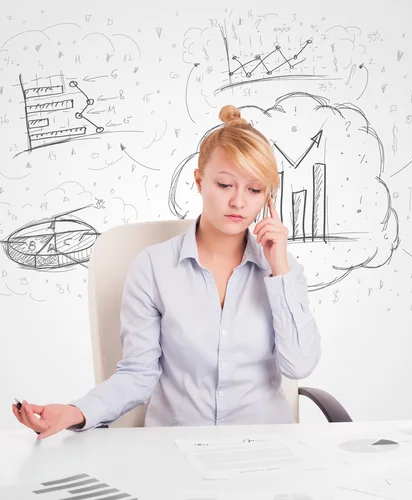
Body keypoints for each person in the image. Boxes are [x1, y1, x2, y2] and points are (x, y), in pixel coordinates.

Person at [12, 105, 322, 440]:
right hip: (177, 451)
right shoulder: (153, 268)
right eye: (224, 184)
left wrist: (279, 270)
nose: (238, 202)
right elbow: (137, 374)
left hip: (266, 449)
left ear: (267, 197)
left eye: (254, 189)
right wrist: (76, 412)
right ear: (200, 181)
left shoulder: (283, 270)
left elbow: (299, 365)